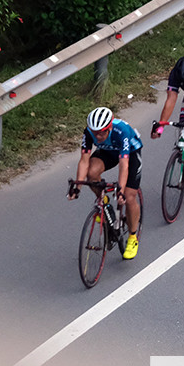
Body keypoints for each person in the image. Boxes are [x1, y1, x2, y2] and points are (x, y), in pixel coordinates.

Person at [71, 106, 143, 259]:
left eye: (102, 132)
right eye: (94, 133)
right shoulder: (90, 132)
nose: (97, 136)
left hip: (130, 152)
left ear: (109, 127)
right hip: (108, 151)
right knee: (91, 173)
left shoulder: (121, 131)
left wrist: (121, 190)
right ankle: (104, 201)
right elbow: (84, 161)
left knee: (129, 197)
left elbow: (124, 165)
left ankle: (132, 237)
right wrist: (77, 187)